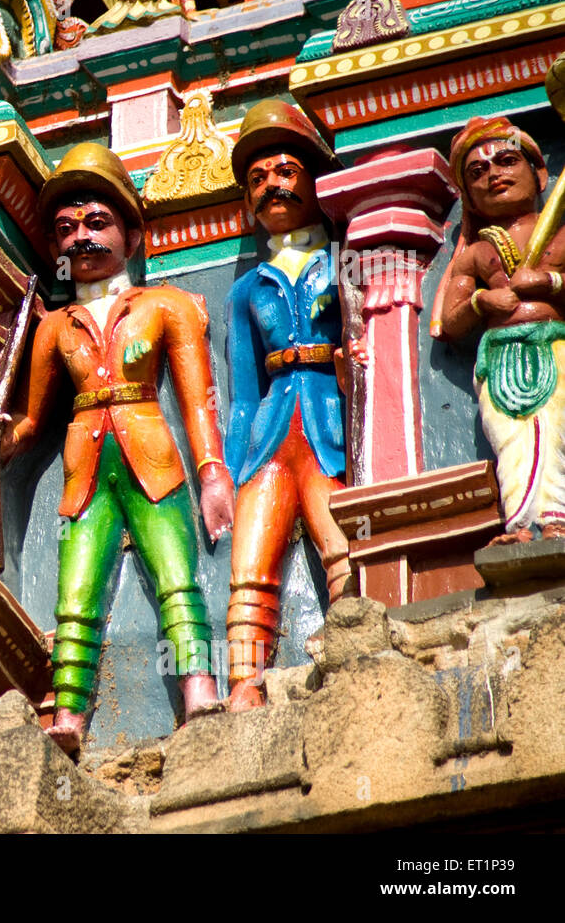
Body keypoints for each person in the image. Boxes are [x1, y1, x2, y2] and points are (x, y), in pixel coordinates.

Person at [0, 142, 234, 753]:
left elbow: (198, 402)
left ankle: (198, 686)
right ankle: (68, 712)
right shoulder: (52, 327)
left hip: (152, 453)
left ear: (133, 234)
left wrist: (213, 472)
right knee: (76, 592)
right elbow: (34, 420)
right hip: (83, 464)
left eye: (97, 223)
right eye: (66, 230)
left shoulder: (166, 306)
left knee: (177, 575)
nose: (81, 240)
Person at [223, 99, 351, 711]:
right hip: (271, 432)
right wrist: (227, 469)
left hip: (327, 419)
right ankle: (244, 685)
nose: (271, 185)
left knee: (341, 543)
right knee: (251, 562)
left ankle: (356, 650)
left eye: (284, 170)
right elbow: (243, 391)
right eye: (257, 178)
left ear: (312, 178)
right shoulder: (247, 288)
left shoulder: (345, 259)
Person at [436, 117, 565, 543]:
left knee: (557, 429)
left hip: (556, 346)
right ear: (469, 198)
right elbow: (450, 321)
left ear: (539, 173)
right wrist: (481, 301)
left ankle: (557, 519)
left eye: (507, 160)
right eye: (477, 172)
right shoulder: (477, 254)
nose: (494, 174)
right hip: (500, 358)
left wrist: (549, 283)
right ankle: (522, 525)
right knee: (513, 440)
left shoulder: (560, 238)